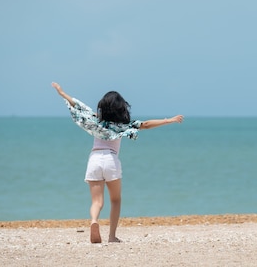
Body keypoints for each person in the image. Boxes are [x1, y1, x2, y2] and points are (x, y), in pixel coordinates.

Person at [51, 82, 183, 243]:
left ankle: (94, 220)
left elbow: (79, 106)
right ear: (121, 108)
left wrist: (62, 93)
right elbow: (145, 125)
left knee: (97, 201)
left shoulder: (96, 121)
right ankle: (112, 236)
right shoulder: (122, 125)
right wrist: (169, 120)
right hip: (111, 160)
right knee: (115, 200)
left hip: (94, 160)